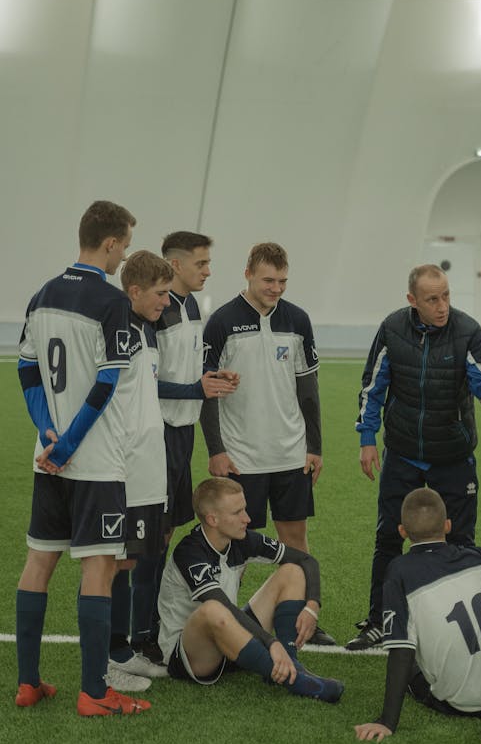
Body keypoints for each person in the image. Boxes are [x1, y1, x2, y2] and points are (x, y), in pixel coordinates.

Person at [15, 199, 150, 717]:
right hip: (92, 461)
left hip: (45, 457)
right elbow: (108, 380)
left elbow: (27, 370)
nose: (125, 256)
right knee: (99, 566)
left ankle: (30, 683)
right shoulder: (112, 301)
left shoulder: (42, 294)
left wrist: (46, 431)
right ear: (111, 243)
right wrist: (69, 442)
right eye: (126, 245)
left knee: (39, 562)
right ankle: (95, 692)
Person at [347, 263, 481, 651]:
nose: (442, 305)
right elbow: (372, 386)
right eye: (432, 299)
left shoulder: (467, 331)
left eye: (446, 295)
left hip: (453, 456)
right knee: (388, 538)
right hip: (404, 453)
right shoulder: (393, 329)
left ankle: (454, 628)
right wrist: (367, 437)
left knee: (460, 542)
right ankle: (381, 620)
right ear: (413, 301)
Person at [107, 250, 237, 689]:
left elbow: (167, 372)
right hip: (149, 442)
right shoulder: (130, 326)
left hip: (177, 435)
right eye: (201, 263)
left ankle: (144, 632)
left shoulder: (180, 310)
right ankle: (131, 641)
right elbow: (145, 385)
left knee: (158, 537)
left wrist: (207, 380)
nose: (207, 271)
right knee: (131, 549)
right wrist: (194, 388)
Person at [200, 242, 335, 646]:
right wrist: (216, 450)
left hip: (290, 453)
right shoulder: (221, 321)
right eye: (268, 280)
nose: (276, 288)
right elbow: (207, 392)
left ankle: (303, 621)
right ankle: (228, 627)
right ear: (247, 274)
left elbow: (308, 389)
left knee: (296, 541)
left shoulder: (297, 320)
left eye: (282, 281)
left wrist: (315, 446)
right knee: (235, 545)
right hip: (241, 457)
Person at [354, 488, 481, 741]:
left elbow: (401, 651)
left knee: (411, 660)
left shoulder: (399, 571)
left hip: (462, 703)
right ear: (447, 525)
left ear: (402, 531)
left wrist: (387, 721)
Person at [157, 478, 343, 702]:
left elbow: (306, 560)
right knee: (212, 609)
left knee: (292, 571)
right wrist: (270, 642)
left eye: (244, 509)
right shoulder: (190, 552)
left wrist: (312, 606)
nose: (247, 518)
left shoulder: (240, 538)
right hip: (191, 656)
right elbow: (222, 607)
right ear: (212, 519)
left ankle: (289, 665)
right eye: (237, 512)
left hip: (230, 643)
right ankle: (296, 681)